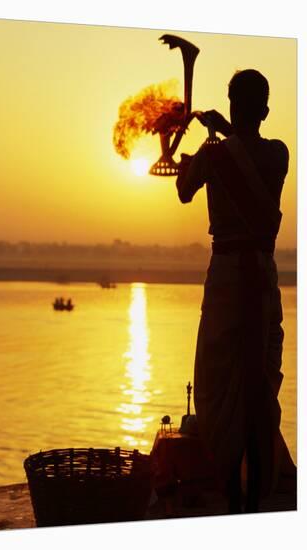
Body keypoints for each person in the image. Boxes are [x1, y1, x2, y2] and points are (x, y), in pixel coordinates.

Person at [175, 69, 289, 513]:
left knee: (219, 385)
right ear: (264, 110)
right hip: (261, 278)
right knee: (258, 383)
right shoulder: (278, 154)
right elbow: (245, 153)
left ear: (232, 105)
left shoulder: (215, 154)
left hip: (226, 280)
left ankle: (227, 490)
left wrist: (198, 155)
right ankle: (258, 493)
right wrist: (222, 135)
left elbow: (184, 190)